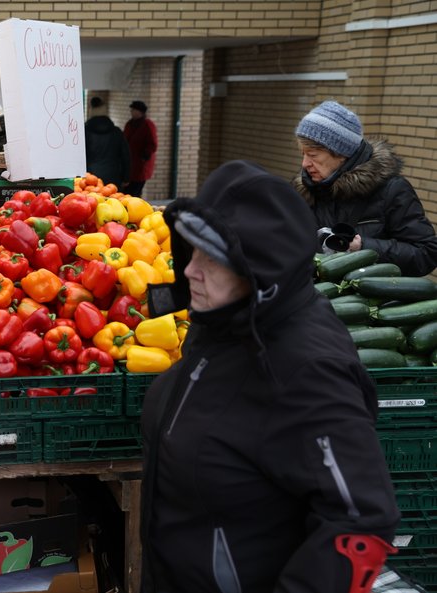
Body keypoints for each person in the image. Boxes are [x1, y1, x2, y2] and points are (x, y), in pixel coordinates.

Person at [141, 160, 400, 593]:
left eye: (211, 258)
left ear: (259, 270)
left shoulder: (308, 371)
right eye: (191, 250)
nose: (189, 271)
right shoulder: (225, 322)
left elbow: (363, 521)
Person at [293, 100, 437, 276]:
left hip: (368, 300)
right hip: (310, 297)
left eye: (313, 155)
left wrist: (363, 247)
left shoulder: (392, 190)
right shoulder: (302, 190)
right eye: (303, 154)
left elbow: (426, 254)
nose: (305, 164)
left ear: (342, 154)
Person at [84, 96, 130, 188]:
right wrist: (126, 177)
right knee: (113, 201)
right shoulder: (116, 132)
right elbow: (126, 155)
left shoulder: (85, 132)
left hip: (91, 178)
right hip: (113, 176)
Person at [122, 100, 157, 197]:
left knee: (135, 190)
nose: (131, 112)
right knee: (127, 190)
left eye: (133, 110)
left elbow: (152, 143)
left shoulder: (147, 125)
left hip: (140, 164)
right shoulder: (129, 124)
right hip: (130, 162)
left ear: (140, 112)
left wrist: (144, 156)